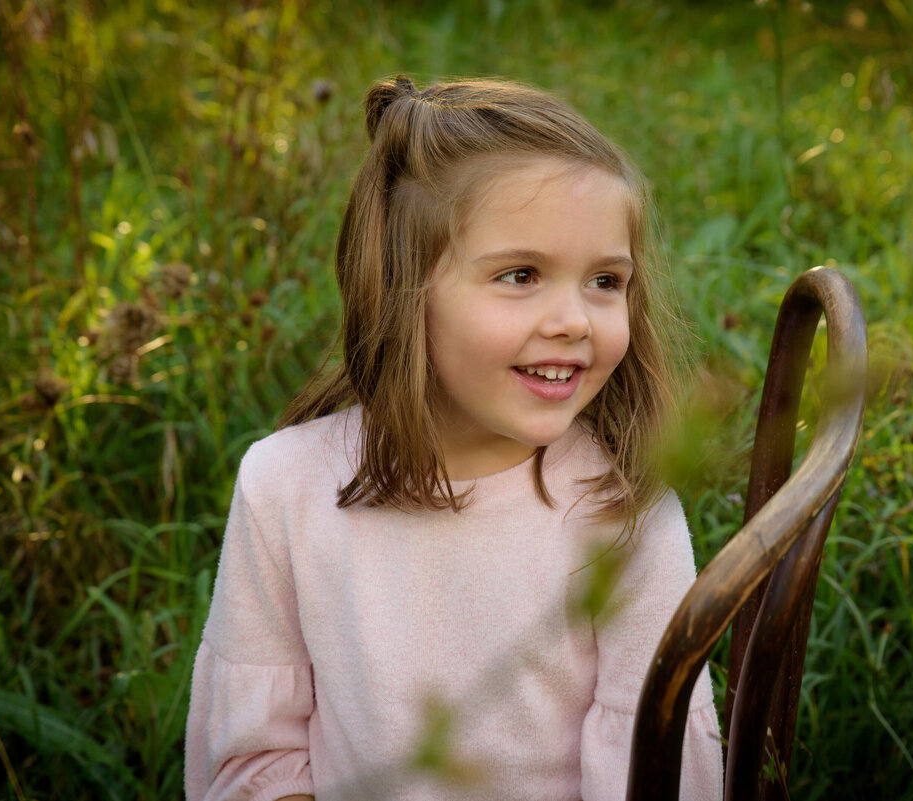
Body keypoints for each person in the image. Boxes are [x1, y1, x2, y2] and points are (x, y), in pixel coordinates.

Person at [185, 75, 723, 801]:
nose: (575, 319)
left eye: (605, 280)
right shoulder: (283, 487)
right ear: (402, 290)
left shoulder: (624, 517)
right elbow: (257, 759)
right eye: (522, 274)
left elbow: (653, 771)